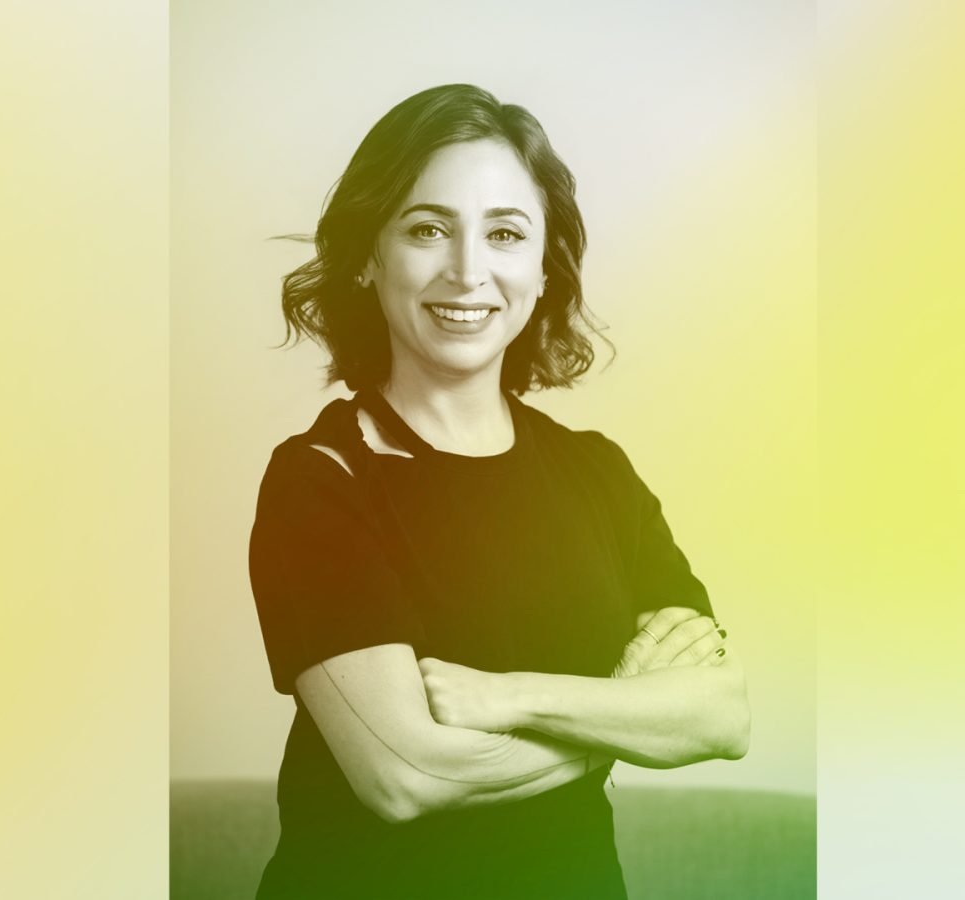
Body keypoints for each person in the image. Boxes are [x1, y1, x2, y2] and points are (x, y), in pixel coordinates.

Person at [247, 84, 751, 900]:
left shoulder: (598, 473)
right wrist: (625, 712)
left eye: (505, 234)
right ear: (368, 257)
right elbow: (405, 775)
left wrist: (508, 697)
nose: (468, 271)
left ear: (544, 268)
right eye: (427, 229)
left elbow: (723, 715)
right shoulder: (321, 478)